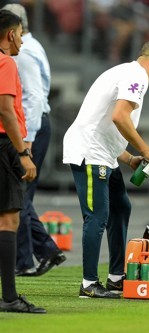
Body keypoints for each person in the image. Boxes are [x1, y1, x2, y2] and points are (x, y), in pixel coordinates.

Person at [63, 41, 149, 298]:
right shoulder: (136, 76)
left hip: (104, 153)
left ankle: (116, 278)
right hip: (90, 153)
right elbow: (119, 116)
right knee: (97, 216)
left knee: (121, 207)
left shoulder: (126, 73)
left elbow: (102, 120)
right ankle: (89, 284)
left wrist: (129, 158)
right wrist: (146, 150)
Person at [2, 3, 66, 277]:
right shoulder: (30, 47)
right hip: (29, 127)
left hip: (28, 129)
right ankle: (40, 252)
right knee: (19, 196)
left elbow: (35, 99)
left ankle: (25, 258)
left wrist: (25, 142)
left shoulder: (23, 54)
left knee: (19, 196)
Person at [0, 9, 45, 314]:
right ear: (12, 34)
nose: (21, 41)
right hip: (5, 146)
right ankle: (10, 298)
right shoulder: (5, 62)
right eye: (20, 34)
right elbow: (6, 109)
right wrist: (23, 153)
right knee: (8, 220)